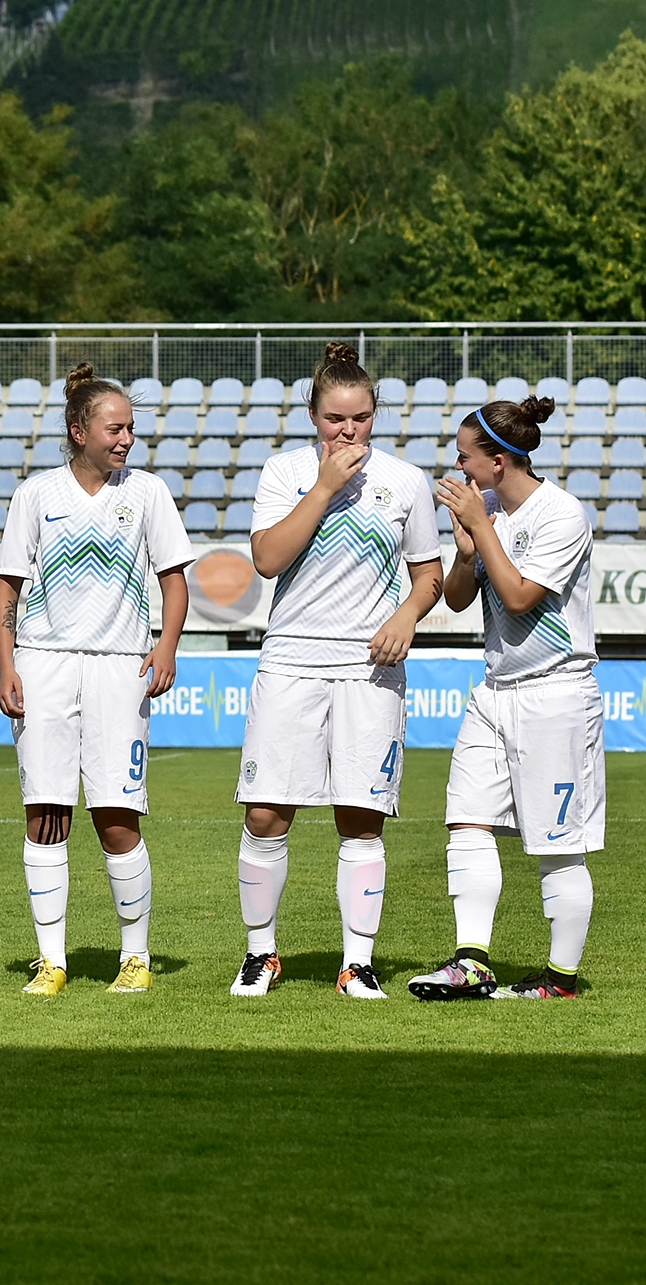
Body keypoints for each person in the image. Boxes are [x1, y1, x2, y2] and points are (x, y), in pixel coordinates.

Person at [231, 342, 443, 999]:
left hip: (369, 670)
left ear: (374, 415)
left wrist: (407, 615)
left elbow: (429, 575)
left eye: (360, 419)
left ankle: (358, 963)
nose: (347, 431)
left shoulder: (405, 481)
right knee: (266, 816)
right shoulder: (284, 471)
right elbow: (268, 559)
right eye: (334, 419)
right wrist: (324, 487)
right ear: (313, 416)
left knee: (361, 818)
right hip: (291, 661)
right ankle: (261, 954)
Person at [0, 365, 193, 997]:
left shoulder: (149, 493)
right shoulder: (35, 495)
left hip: (119, 666)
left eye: (131, 428)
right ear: (79, 432)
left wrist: (166, 645)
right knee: (46, 812)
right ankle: (51, 961)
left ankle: (136, 957)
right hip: (44, 663)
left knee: (117, 816)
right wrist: (7, 664)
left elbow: (174, 580)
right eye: (115, 429)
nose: (127, 439)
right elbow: (8, 587)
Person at [409, 397, 602, 1001]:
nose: (458, 467)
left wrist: (482, 528)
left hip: (556, 694)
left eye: (465, 456)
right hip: (495, 690)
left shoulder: (561, 514)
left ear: (497, 461)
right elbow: (458, 598)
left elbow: (519, 596)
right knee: (466, 819)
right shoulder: (487, 509)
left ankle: (561, 980)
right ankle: (472, 963)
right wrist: (466, 551)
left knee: (557, 845)